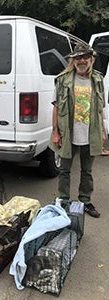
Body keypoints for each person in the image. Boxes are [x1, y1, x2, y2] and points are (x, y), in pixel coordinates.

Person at [49, 43, 106, 218]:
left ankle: (85, 201)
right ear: (73, 60)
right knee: (65, 171)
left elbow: (100, 108)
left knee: (87, 171)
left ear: (91, 59)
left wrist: (103, 131)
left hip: (91, 132)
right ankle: (64, 201)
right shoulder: (63, 79)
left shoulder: (97, 79)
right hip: (68, 133)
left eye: (85, 57)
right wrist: (55, 132)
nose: (82, 60)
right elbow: (56, 107)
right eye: (78, 57)